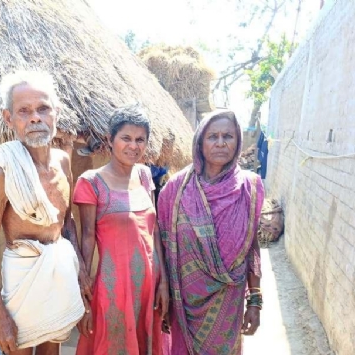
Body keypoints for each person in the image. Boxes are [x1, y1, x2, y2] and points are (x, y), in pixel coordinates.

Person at [0, 71, 91, 355]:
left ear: (56, 113)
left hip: (60, 271)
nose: (35, 118)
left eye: (43, 108)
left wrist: (80, 269)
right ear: (9, 118)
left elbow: (67, 223)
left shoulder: (64, 162)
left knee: (52, 351)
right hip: (22, 278)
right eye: (24, 111)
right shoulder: (1, 172)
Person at [158, 110, 264, 355]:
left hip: (229, 303)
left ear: (238, 142)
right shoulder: (175, 189)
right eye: (212, 136)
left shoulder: (251, 187)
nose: (220, 143)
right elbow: (162, 246)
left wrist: (255, 300)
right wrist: (163, 290)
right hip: (183, 305)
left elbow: (252, 245)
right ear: (200, 142)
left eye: (228, 136)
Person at [73, 104, 169, 355]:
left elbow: (154, 231)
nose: (133, 146)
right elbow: (87, 238)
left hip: (149, 284)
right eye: (126, 138)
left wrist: (163, 283)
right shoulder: (91, 182)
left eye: (140, 140)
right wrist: (83, 298)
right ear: (110, 139)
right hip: (112, 287)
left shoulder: (145, 175)